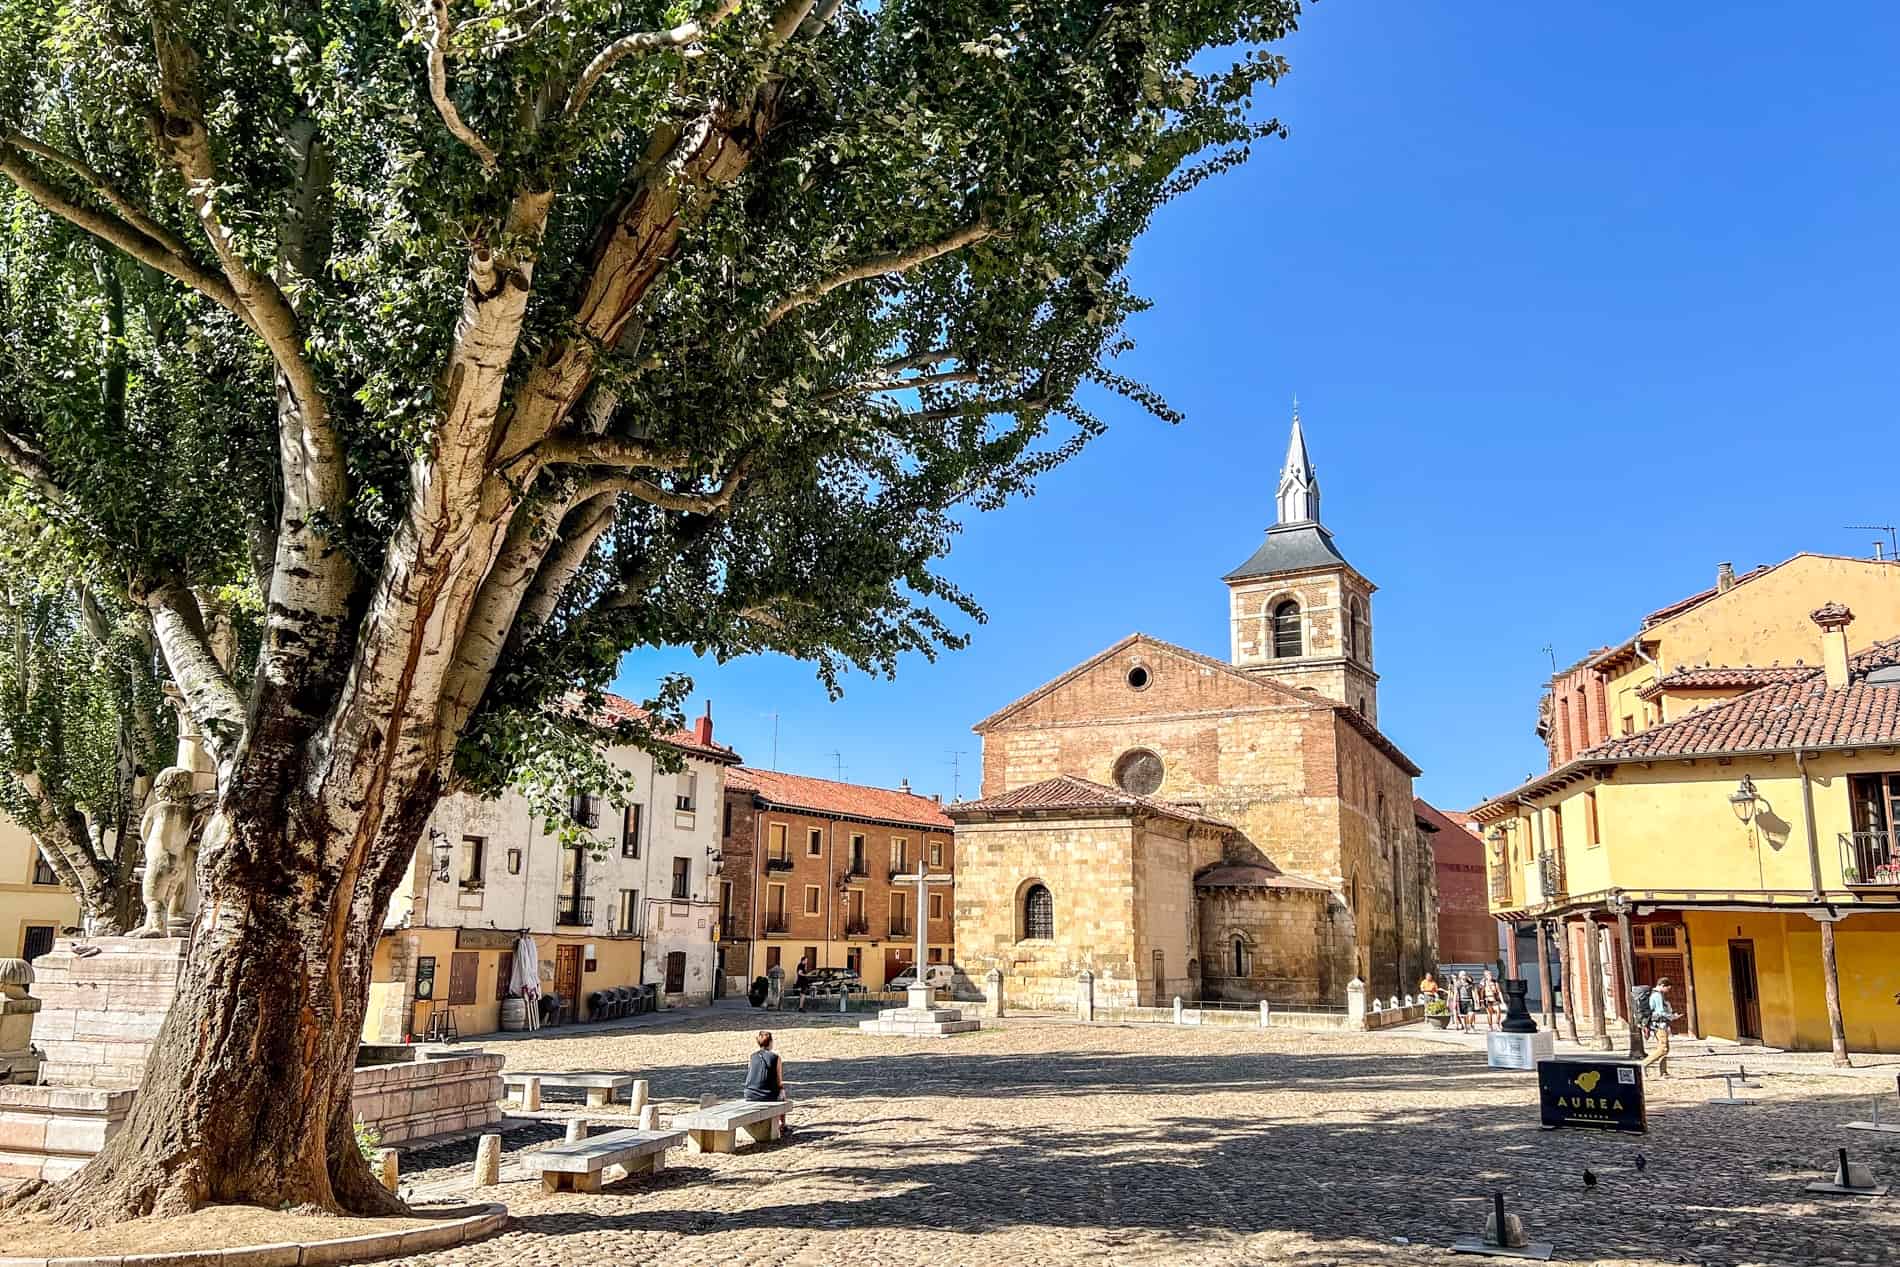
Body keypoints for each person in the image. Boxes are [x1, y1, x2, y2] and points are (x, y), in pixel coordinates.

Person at [1640, 979, 1677, 1077]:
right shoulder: (1657, 995)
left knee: (1665, 1048)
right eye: (1667, 988)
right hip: (1659, 1025)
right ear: (1663, 985)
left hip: (1657, 1024)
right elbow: (1660, 1011)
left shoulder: (1654, 994)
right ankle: (1644, 1064)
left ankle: (1663, 1072)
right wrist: (1672, 1016)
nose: (1668, 991)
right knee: (1663, 1049)